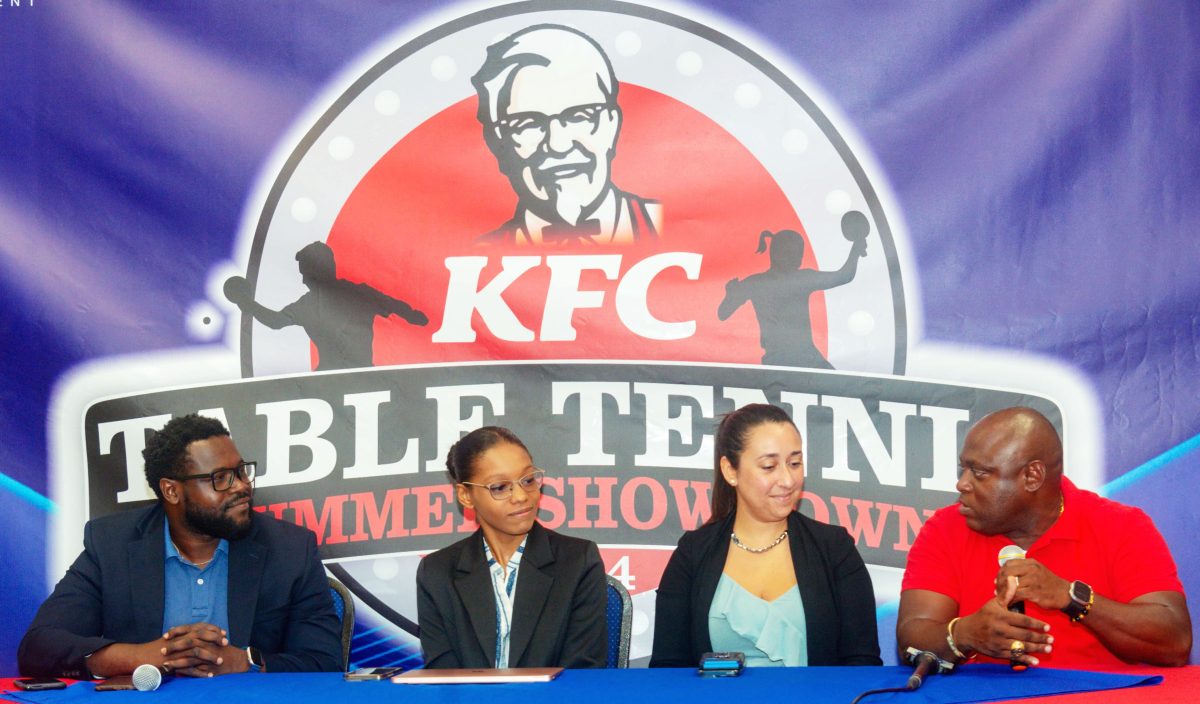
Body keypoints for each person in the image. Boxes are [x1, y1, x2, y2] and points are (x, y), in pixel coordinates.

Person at [18, 414, 342, 678]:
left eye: (242, 472)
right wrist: (145, 655)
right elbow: (39, 647)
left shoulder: (291, 549)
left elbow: (324, 661)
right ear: (171, 491)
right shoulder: (111, 546)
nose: (242, 486)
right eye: (221, 478)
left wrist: (247, 661)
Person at [897, 407, 1191, 669]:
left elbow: (1174, 643)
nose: (962, 483)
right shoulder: (945, 528)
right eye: (964, 468)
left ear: (1032, 476)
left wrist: (1071, 597)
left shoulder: (1122, 526)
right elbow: (910, 640)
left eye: (980, 473)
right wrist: (965, 634)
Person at [650, 403, 882, 667]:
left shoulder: (835, 549)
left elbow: (862, 665)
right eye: (769, 466)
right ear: (730, 471)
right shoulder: (693, 553)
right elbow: (667, 669)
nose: (787, 479)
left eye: (794, 463)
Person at [416, 426, 607, 668]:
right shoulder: (437, 572)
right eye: (500, 487)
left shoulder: (578, 561)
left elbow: (582, 672)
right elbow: (445, 676)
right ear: (465, 495)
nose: (521, 496)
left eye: (528, 480)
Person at [473, 24, 661, 246]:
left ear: (612, 126)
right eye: (528, 123)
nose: (558, 144)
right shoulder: (477, 252)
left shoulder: (668, 225)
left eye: (580, 116)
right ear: (496, 143)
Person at [224, 241, 428, 370]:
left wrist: (246, 303)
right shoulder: (314, 302)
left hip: (352, 381)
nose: (303, 281)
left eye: (305, 274)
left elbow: (275, 321)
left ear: (320, 271)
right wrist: (246, 303)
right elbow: (401, 309)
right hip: (338, 381)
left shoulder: (351, 295)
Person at [717, 212, 868, 369]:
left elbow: (723, 313)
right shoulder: (801, 279)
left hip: (783, 359)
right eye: (794, 253)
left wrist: (731, 295)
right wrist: (855, 251)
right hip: (801, 358)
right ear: (779, 253)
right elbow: (843, 276)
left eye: (798, 253)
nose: (798, 258)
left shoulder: (756, 282)